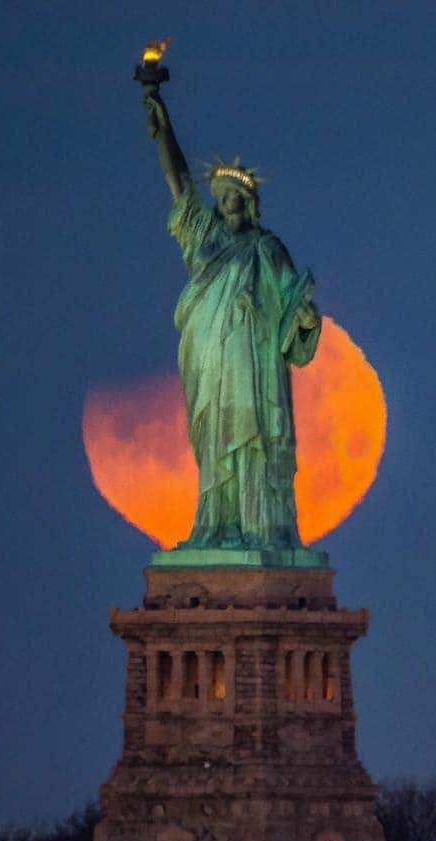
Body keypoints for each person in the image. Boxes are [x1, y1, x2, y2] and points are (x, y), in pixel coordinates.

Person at [144, 92, 321, 551]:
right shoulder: (202, 235)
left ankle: (260, 527)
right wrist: (164, 129)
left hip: (254, 359)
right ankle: (217, 525)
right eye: (220, 197)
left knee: (254, 435)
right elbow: (179, 182)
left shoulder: (268, 248)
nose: (226, 203)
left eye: (234, 197)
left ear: (249, 202)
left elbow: (292, 311)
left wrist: (303, 319)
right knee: (215, 436)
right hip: (209, 354)